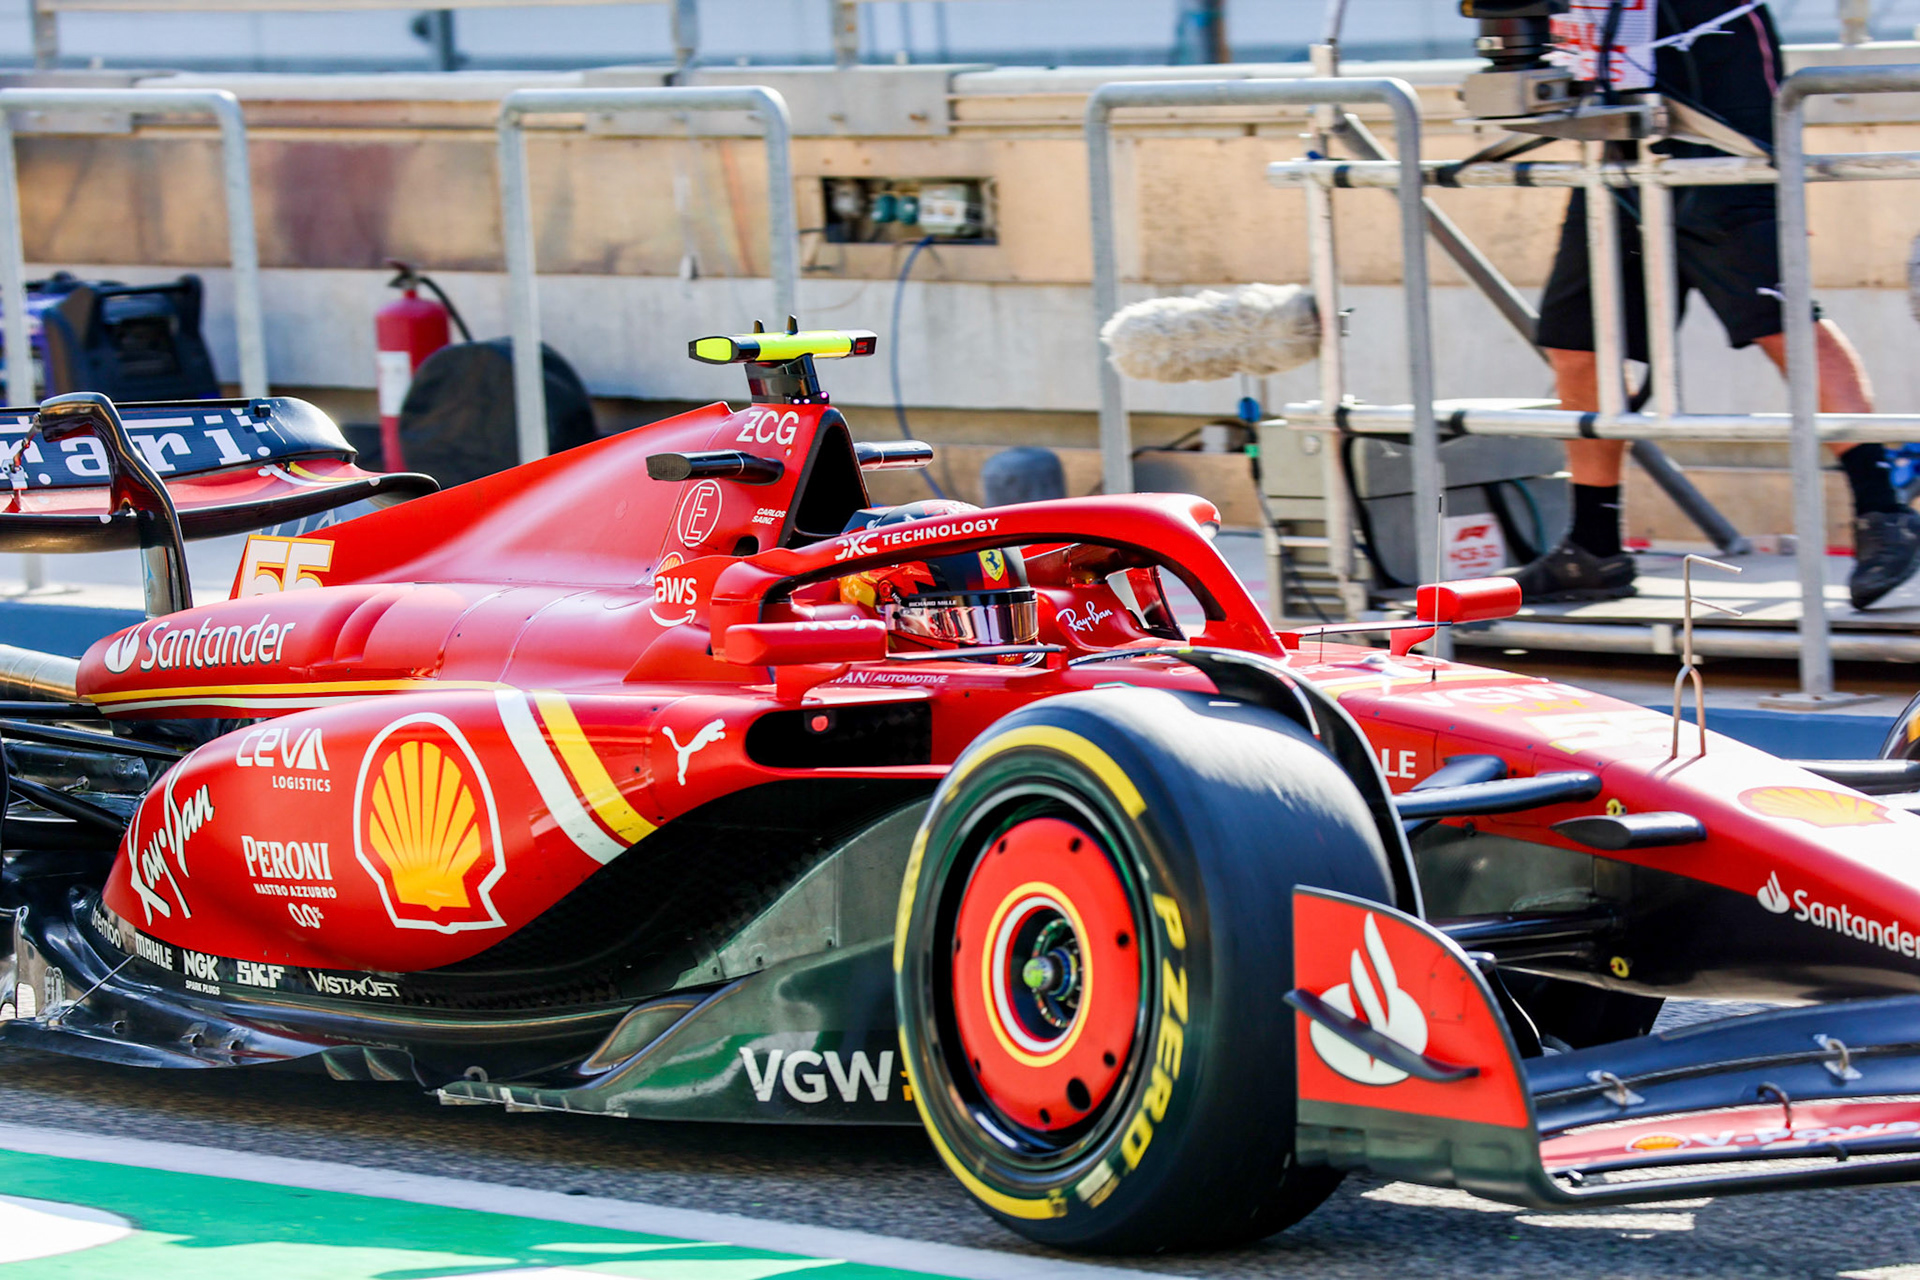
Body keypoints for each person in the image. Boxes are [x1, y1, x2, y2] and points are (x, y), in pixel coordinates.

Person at [1509, 0, 1920, 608]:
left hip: (1716, 69)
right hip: (1616, 98)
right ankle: (1593, 546)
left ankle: (1883, 513)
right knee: (1577, 338)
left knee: (1776, 318)